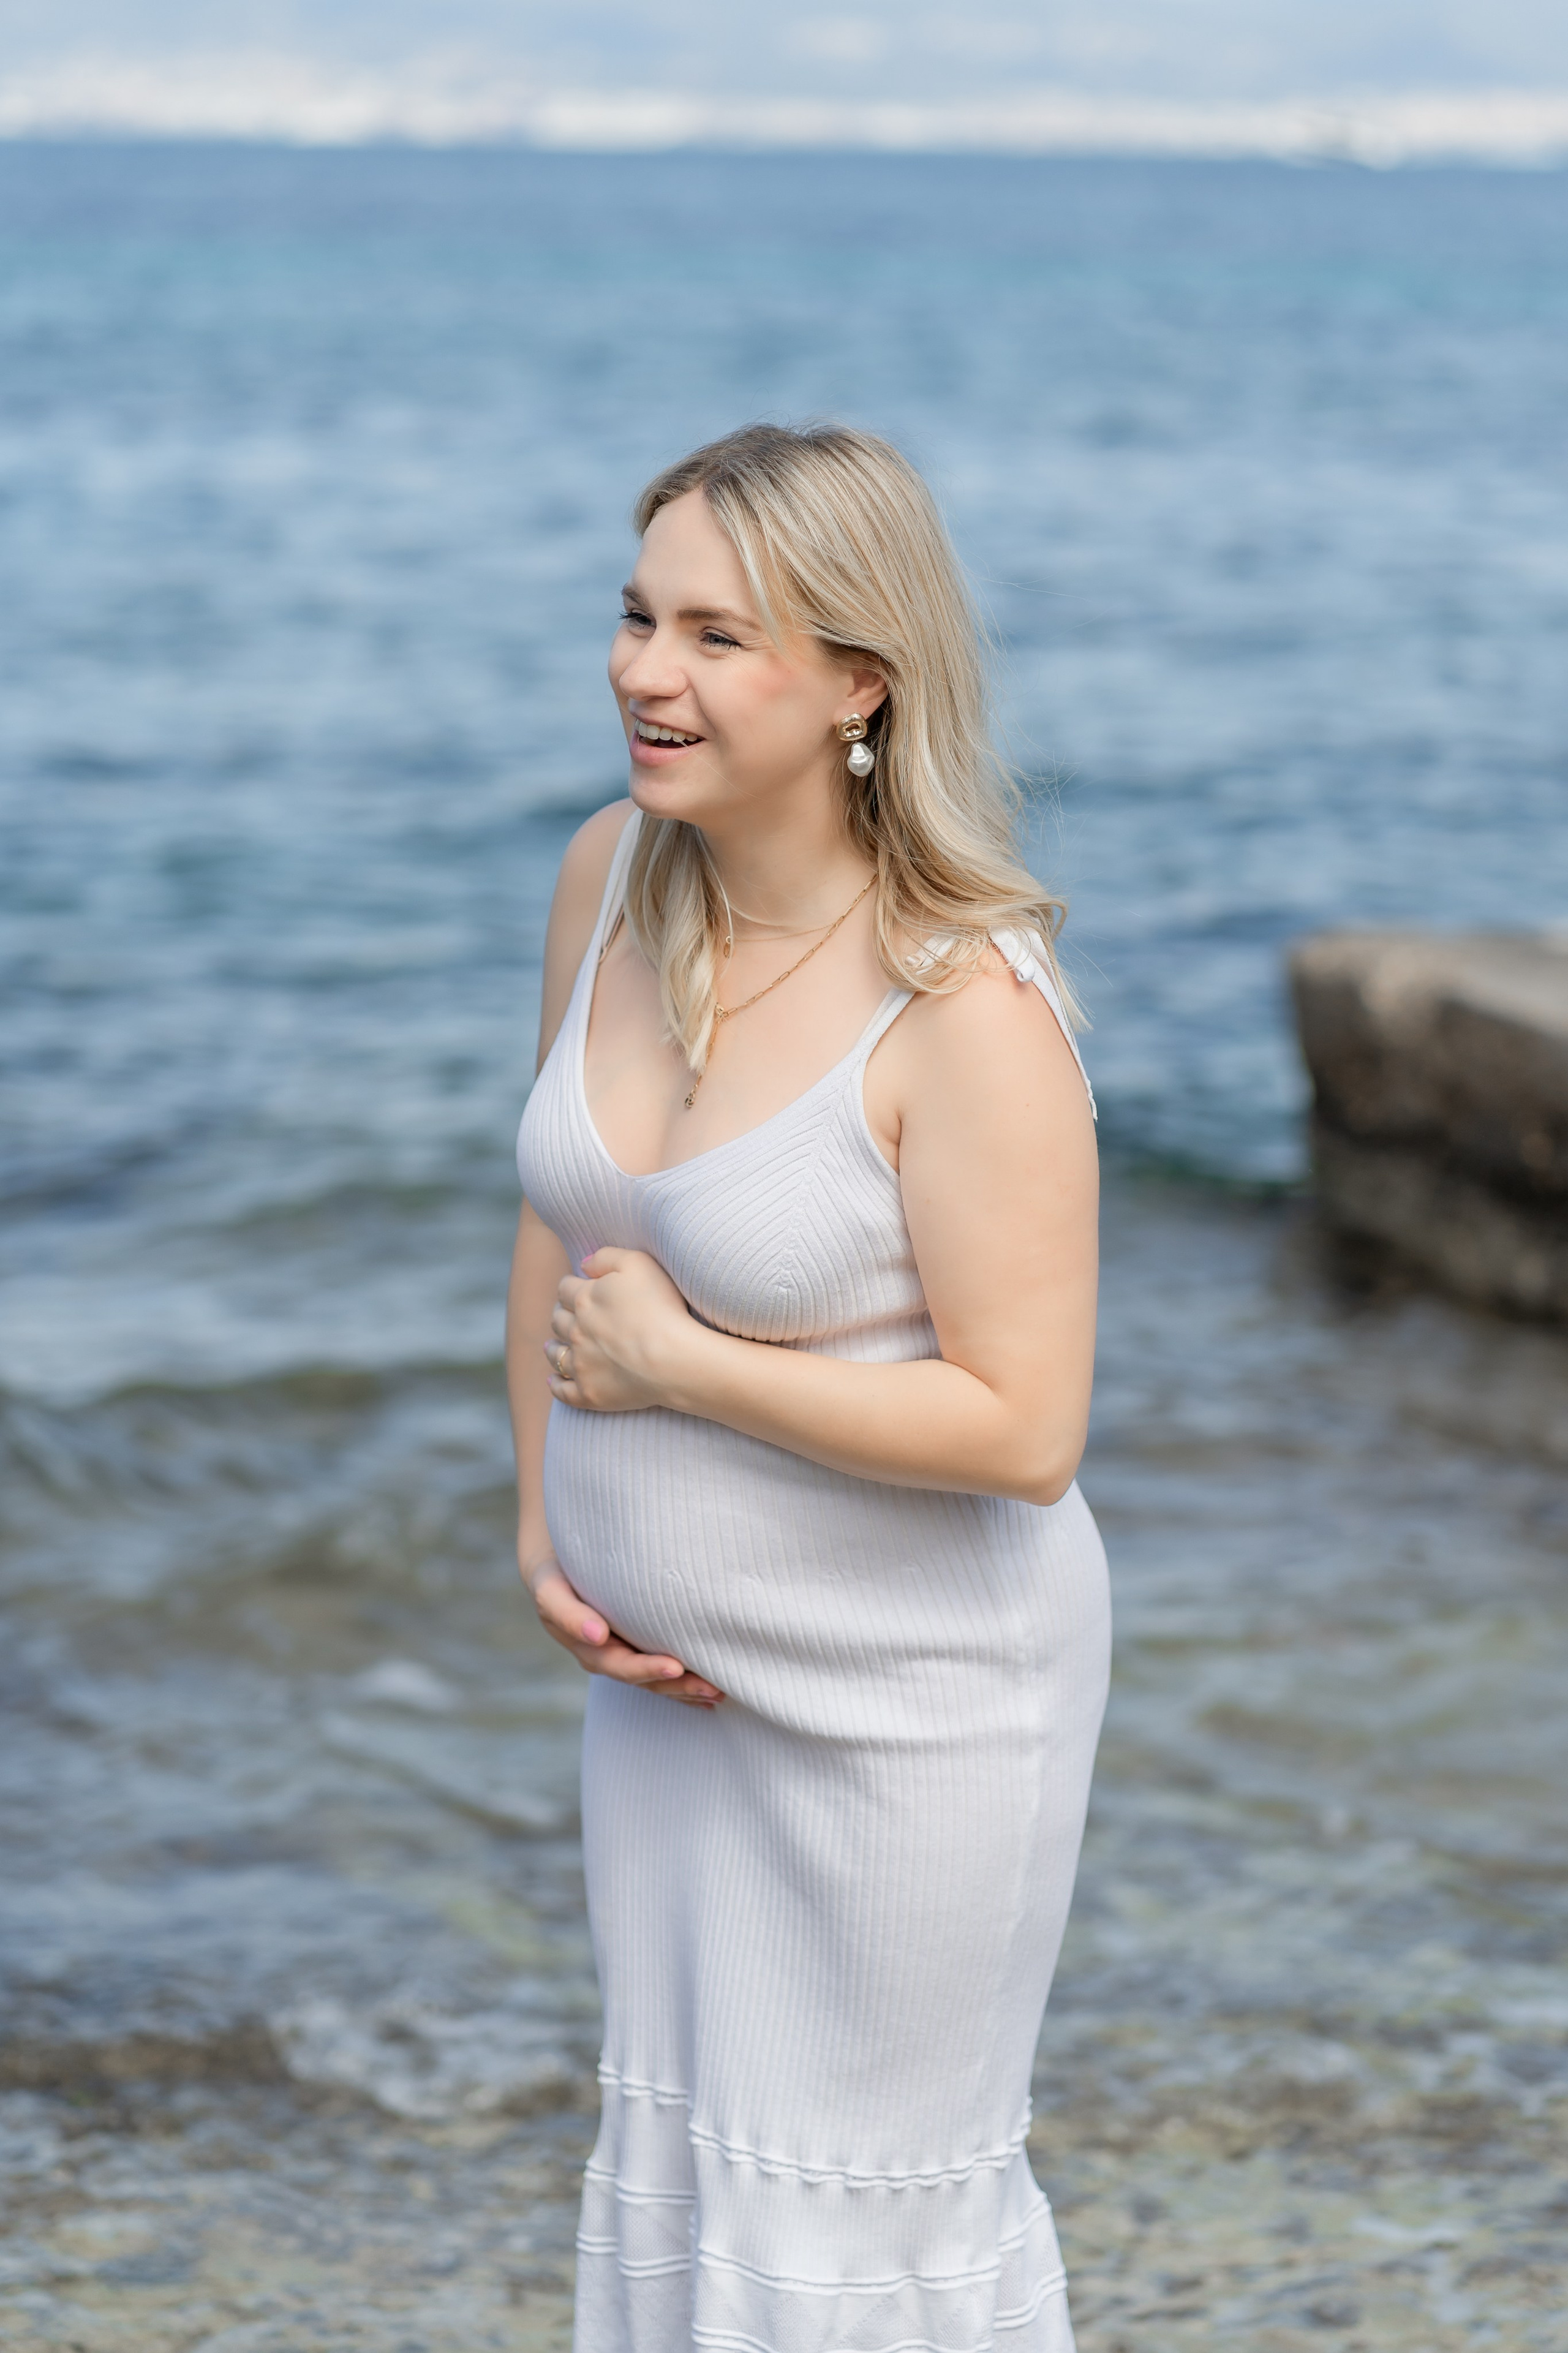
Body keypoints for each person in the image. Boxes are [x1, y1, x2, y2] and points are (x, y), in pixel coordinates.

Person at [509, 423, 1109, 2352]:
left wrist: (683, 1366)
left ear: (861, 679)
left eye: (713, 634)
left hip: (911, 1720)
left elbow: (1023, 1426)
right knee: (693, 2193)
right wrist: (549, 1518)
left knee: (852, 2235)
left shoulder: (966, 1003)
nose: (641, 671)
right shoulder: (610, 877)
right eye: (633, 616)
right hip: (672, 1712)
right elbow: (560, 1211)